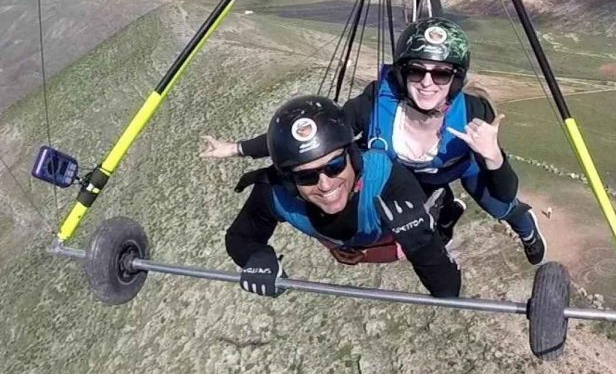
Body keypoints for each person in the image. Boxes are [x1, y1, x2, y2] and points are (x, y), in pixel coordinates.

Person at [203, 17, 545, 264]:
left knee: (500, 204)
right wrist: (235, 148)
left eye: (441, 73)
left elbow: (503, 188)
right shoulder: (374, 108)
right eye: (417, 71)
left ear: (455, 79)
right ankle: (444, 213)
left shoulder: (473, 113)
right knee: (402, 226)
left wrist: (492, 157)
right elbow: (315, 139)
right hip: (410, 179)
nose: (427, 82)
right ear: (402, 72)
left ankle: (526, 228)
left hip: (458, 166)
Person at [226, 94, 462, 298]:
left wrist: (421, 243)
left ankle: (446, 213)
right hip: (352, 241)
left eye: (335, 165)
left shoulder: (388, 182)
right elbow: (239, 236)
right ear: (288, 180)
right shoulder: (275, 193)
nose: (325, 185)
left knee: (425, 231)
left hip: (391, 232)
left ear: (354, 158)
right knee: (354, 249)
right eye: (306, 177)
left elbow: (448, 290)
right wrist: (256, 257)